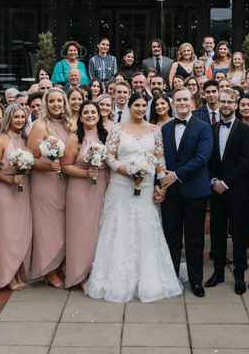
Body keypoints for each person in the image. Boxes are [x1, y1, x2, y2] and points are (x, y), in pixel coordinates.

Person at [86, 93, 182, 303]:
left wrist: (161, 184)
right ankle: (116, 282)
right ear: (129, 107)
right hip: (121, 185)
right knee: (118, 228)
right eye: (136, 105)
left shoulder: (154, 130)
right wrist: (126, 169)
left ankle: (148, 280)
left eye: (143, 105)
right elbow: (109, 156)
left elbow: (159, 159)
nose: (140, 108)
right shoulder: (117, 129)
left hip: (146, 186)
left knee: (146, 228)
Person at [160, 88, 213, 297]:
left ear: (192, 103)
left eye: (185, 99)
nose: (182, 103)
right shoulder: (165, 128)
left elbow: (202, 158)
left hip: (194, 191)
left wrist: (176, 175)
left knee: (194, 239)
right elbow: (160, 156)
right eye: (178, 99)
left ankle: (196, 281)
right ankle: (171, 279)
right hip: (171, 193)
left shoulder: (204, 128)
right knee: (171, 237)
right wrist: (163, 179)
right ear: (173, 103)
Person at [205, 89, 249, 295]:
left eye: (229, 102)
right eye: (222, 101)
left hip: (237, 190)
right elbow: (208, 158)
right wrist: (214, 180)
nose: (225, 105)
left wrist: (226, 182)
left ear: (236, 105)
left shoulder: (245, 130)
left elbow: (246, 161)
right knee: (217, 232)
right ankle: (218, 272)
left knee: (239, 233)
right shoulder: (212, 128)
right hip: (216, 190)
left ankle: (240, 275)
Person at [27, 87, 73, 287]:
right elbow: (29, 159)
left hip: (64, 182)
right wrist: (47, 165)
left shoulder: (69, 125)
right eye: (52, 101)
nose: (56, 104)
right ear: (46, 104)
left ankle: (60, 264)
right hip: (45, 183)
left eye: (60, 101)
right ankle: (49, 270)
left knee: (64, 226)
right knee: (48, 227)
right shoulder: (40, 125)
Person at [63, 102, 109, 289]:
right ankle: (78, 275)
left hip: (102, 188)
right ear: (80, 117)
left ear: (99, 115)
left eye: (93, 112)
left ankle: (95, 272)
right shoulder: (75, 138)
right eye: (86, 113)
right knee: (80, 233)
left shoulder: (106, 136)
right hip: (80, 190)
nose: (90, 115)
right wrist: (86, 174)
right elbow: (66, 166)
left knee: (99, 231)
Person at [0, 104, 32, 291]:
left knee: (20, 233)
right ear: (8, 118)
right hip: (5, 192)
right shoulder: (1, 140)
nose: (20, 120)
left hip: (22, 191)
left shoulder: (25, 139)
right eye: (16, 117)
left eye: (23, 117)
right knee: (5, 235)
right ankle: (6, 276)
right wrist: (9, 179)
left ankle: (18, 271)